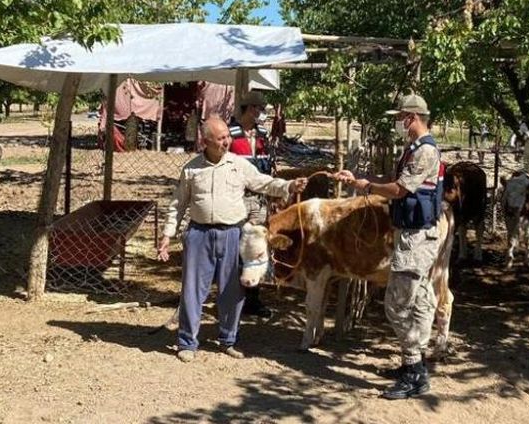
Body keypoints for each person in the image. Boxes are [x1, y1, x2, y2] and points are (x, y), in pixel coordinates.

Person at [157, 116, 307, 363]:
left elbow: (264, 182)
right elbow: (178, 204)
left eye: (228, 136)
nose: (226, 142)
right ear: (206, 141)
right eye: (220, 138)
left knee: (232, 289)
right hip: (199, 234)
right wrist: (167, 234)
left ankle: (228, 339)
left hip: (233, 234)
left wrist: (289, 186)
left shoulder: (239, 165)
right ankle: (187, 342)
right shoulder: (192, 169)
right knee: (193, 289)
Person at [333, 94, 443, 400]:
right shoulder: (415, 149)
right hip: (415, 235)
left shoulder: (424, 152)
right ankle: (415, 365)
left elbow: (399, 189)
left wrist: (369, 187)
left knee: (397, 305)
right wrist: (361, 181)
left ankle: (414, 369)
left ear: (412, 117)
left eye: (400, 117)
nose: (398, 122)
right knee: (419, 302)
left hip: (416, 239)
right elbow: (396, 181)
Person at [228, 90, 274, 318]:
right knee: (236, 247)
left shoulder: (263, 135)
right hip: (238, 198)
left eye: (261, 109)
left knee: (256, 247)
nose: (258, 113)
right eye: (255, 108)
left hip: (260, 198)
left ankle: (253, 299)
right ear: (245, 108)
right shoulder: (229, 133)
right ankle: (233, 296)